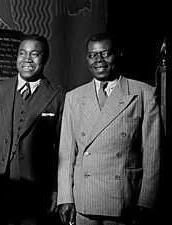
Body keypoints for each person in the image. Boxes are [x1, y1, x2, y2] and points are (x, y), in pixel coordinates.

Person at [57, 32, 161, 225]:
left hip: (124, 199)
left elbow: (153, 154)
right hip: (83, 200)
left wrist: (147, 201)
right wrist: (65, 197)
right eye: (92, 55)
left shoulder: (143, 93)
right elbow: (67, 152)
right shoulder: (74, 96)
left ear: (118, 54)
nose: (99, 60)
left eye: (105, 54)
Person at [0, 34, 64, 225]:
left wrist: (56, 189)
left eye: (34, 54)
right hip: (0, 184)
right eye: (22, 53)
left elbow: (62, 149)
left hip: (37, 189)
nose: (27, 59)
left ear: (44, 59)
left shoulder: (58, 96)